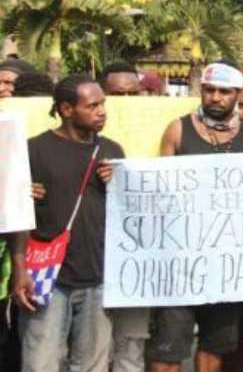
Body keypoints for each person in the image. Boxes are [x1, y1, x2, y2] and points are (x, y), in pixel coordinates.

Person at [148, 62, 243, 372]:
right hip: (180, 261)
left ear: (238, 94)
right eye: (209, 90)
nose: (215, 97)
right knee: (168, 351)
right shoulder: (177, 129)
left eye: (224, 91)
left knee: (213, 348)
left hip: (224, 263)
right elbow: (157, 188)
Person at [10, 75, 122, 372]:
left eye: (103, 104)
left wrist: (120, 185)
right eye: (92, 105)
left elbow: (130, 214)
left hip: (99, 279)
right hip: (48, 280)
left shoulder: (113, 152)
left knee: (93, 366)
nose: (102, 111)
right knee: (40, 364)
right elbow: (18, 216)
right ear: (66, 109)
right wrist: (20, 269)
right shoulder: (33, 150)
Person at [95, 63, 148, 372]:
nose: (127, 100)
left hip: (136, 261)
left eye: (133, 93)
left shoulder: (161, 128)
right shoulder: (88, 141)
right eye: (118, 95)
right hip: (90, 265)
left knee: (131, 349)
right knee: (93, 350)